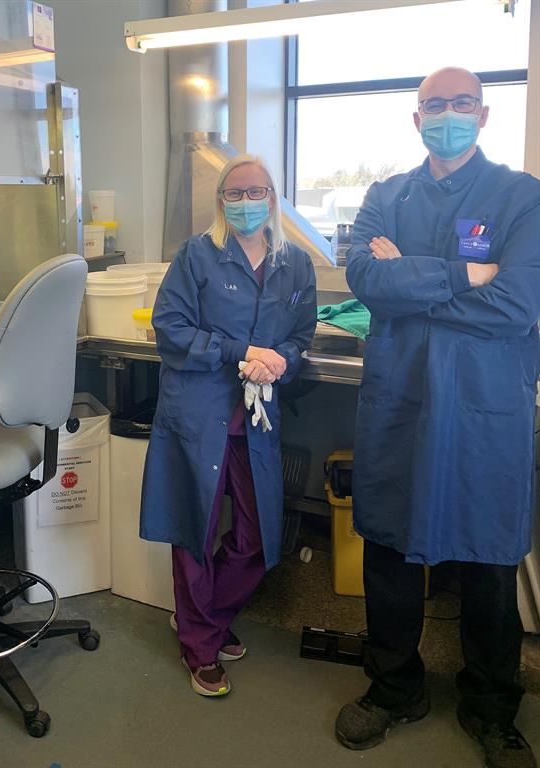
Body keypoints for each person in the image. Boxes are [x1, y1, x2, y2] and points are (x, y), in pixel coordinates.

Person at [335, 67, 540, 768]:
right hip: (400, 403)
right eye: (433, 105)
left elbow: (517, 303)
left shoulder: (520, 196)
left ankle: (490, 707)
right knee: (388, 553)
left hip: (485, 411)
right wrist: (461, 273)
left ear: (482, 116)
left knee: (487, 565)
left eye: (460, 104)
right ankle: (394, 690)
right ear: (413, 117)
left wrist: (410, 281)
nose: (445, 115)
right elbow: (364, 279)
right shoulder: (384, 196)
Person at [140, 154, 317, 697]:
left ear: (274, 198)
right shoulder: (198, 255)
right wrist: (242, 352)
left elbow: (301, 332)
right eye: (235, 193)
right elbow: (168, 328)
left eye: (256, 191)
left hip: (256, 416)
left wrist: (279, 358)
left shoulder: (296, 264)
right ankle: (200, 645)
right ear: (221, 201)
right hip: (198, 410)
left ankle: (205, 617)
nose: (246, 202)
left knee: (258, 537)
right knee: (195, 525)